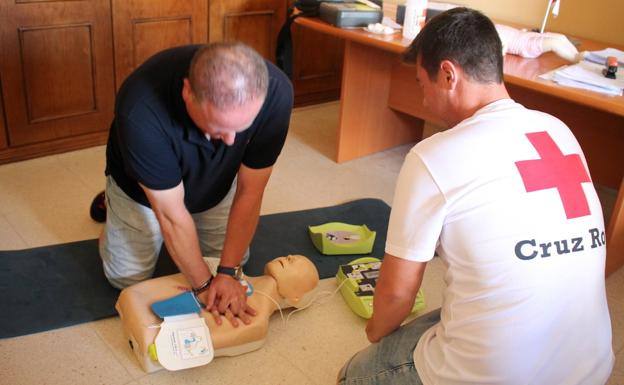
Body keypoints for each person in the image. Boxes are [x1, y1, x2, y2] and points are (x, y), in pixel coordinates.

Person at [338, 8, 613, 385]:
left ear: (449, 75)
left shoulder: (433, 157)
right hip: (592, 368)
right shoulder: (559, 130)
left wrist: (374, 334)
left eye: (422, 84)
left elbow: (398, 294)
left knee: (356, 373)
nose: (422, 101)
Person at [98, 42, 293, 327]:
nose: (231, 141)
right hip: (144, 191)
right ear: (188, 92)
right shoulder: (140, 109)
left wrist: (227, 272)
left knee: (233, 260)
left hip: (214, 184)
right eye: (218, 128)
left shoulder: (276, 93)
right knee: (124, 279)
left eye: (240, 130)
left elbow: (251, 189)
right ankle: (112, 208)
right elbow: (171, 214)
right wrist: (203, 286)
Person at [115, 255, 319, 373]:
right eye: (294, 257)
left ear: (295, 297)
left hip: (155, 331)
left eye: (299, 265)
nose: (291, 257)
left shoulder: (256, 322)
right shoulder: (236, 273)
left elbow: (202, 344)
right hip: (143, 300)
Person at [495, 23, 581, 62]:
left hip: (527, 35)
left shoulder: (493, 26)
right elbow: (502, 49)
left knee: (561, 37)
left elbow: (510, 32)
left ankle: (578, 55)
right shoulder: (491, 36)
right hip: (526, 45)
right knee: (554, 43)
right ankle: (576, 59)